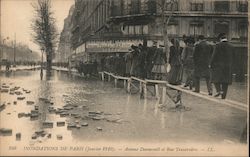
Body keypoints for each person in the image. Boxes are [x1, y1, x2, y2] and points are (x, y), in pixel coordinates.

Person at [209, 33, 233, 99]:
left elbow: (214, 56)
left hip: (218, 66)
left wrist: (210, 64)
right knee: (225, 82)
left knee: (215, 79)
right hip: (228, 66)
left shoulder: (217, 45)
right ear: (226, 39)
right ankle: (223, 96)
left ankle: (219, 90)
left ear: (220, 39)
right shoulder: (231, 46)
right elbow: (233, 57)